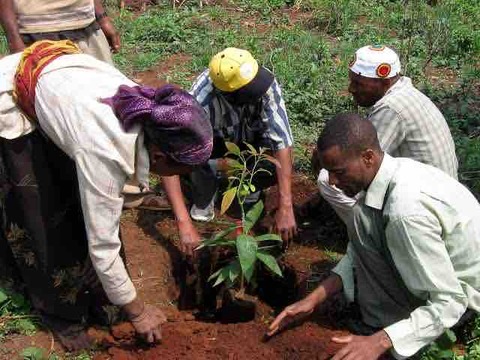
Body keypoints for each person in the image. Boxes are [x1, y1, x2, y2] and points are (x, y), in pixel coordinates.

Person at [0, 40, 213, 350]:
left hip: (63, 93)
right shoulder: (105, 149)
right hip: (11, 100)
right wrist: (139, 313)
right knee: (39, 214)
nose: (183, 179)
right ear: (160, 157)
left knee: (75, 197)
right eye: (182, 172)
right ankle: (61, 312)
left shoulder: (148, 113)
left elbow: (116, 199)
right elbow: (103, 245)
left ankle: (106, 298)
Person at [269, 113, 480, 359]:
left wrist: (380, 341)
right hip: (448, 275)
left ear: (368, 157)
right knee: (360, 216)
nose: (333, 182)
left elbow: (449, 301)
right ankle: (387, 319)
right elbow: (359, 251)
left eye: (339, 172)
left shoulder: (406, 212)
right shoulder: (387, 177)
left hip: (465, 299)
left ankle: (395, 329)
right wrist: (313, 299)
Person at [314, 45, 458, 229]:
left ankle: (369, 234)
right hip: (443, 195)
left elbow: (366, 163)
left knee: (327, 181)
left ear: (384, 82)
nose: (351, 89)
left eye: (359, 84)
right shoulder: (406, 93)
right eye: (352, 81)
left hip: (430, 208)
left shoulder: (391, 108)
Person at [179, 47, 296, 242]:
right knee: (193, 155)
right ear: (230, 95)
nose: (260, 91)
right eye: (251, 91)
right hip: (213, 142)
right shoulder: (200, 103)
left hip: (252, 140)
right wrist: (183, 222)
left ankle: (248, 188)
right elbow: (176, 151)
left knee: (275, 162)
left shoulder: (263, 82)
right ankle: (206, 187)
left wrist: (286, 205)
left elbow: (282, 142)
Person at [0, 0, 120, 62]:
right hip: (37, 38)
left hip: (87, 31)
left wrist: (102, 18)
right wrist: (14, 40)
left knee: (103, 98)